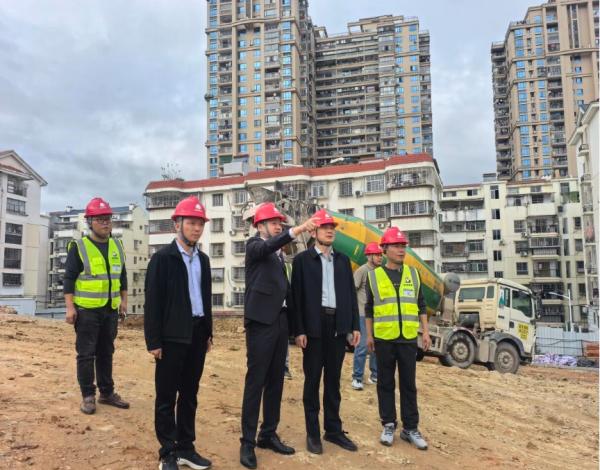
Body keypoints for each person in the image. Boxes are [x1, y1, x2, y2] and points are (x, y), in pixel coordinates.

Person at [240, 203, 317, 469]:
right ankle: (247, 442)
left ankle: (268, 434)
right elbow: (267, 247)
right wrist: (298, 229)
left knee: (276, 381)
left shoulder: (279, 256)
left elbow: (286, 291)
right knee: (256, 382)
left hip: (280, 322)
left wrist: (295, 328)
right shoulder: (254, 246)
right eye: (273, 223)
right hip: (261, 323)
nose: (278, 226)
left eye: (280, 223)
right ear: (260, 225)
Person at [144, 196, 213, 470]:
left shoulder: (203, 260)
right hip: (171, 337)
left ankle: (186, 448)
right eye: (191, 223)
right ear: (177, 224)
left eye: (200, 224)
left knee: (189, 394)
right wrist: (154, 341)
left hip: (197, 334)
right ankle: (167, 453)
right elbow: (153, 303)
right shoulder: (162, 259)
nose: (196, 228)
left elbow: (205, 298)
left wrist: (208, 332)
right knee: (166, 397)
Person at [291, 209, 360, 455]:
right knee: (312, 381)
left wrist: (354, 325)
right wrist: (299, 330)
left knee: (333, 381)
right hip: (313, 326)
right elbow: (296, 298)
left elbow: (350, 295)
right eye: (324, 227)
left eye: (332, 228)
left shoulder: (342, 261)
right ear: (314, 232)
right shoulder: (302, 260)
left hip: (337, 326)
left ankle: (333, 429)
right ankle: (312, 433)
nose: (330, 231)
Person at [365, 227, 431, 450]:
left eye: (403, 246)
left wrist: (425, 332)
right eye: (396, 246)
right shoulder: (374, 276)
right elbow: (369, 308)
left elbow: (421, 304)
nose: (401, 250)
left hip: (408, 338)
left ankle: (410, 428)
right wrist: (369, 335)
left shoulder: (413, 274)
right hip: (384, 338)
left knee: (408, 384)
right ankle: (388, 424)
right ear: (384, 249)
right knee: (385, 382)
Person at [64, 197, 129, 415]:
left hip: (110, 309)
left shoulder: (116, 245)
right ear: (90, 222)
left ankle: (107, 393)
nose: (105, 223)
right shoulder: (79, 247)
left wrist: (124, 301)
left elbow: (122, 276)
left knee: (106, 352)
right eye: (100, 219)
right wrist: (70, 307)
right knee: (86, 354)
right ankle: (88, 396)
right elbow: (69, 279)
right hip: (87, 311)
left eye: (108, 219)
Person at [351, 242, 383, 390]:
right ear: (369, 256)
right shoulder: (362, 271)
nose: (380, 257)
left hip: (377, 315)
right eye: (377, 255)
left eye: (381, 255)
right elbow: (352, 291)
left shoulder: (381, 272)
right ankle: (357, 378)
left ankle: (375, 375)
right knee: (362, 346)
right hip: (363, 314)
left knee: (376, 346)